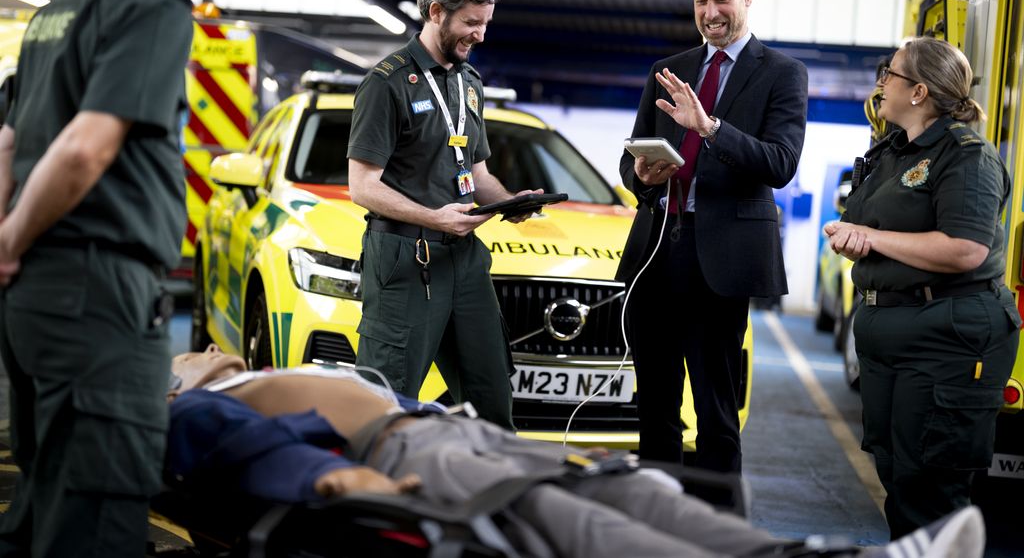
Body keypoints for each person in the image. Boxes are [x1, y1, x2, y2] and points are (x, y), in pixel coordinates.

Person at [166, 345, 986, 558]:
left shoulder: (259, 373)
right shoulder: (197, 407)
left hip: (460, 433)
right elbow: (244, 450)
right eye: (181, 355)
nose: (198, 347)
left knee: (641, 494)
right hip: (408, 451)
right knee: (565, 522)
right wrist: (330, 477)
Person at [0, 0, 228, 554]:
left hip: (36, 303)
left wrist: (8, 251)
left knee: (44, 500)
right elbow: (85, 146)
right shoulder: (155, 9)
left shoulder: (59, 6)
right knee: (98, 515)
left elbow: (8, 139)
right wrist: (9, 241)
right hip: (96, 300)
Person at [616, 0, 808, 474]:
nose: (710, 12)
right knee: (654, 408)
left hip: (722, 262)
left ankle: (719, 531)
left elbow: (781, 163)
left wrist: (711, 129)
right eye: (701, 1)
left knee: (716, 413)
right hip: (657, 250)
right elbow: (630, 158)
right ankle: (655, 522)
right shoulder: (668, 71)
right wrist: (643, 176)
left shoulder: (783, 74)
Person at [824, 37, 1021, 539]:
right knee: (898, 477)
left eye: (890, 73)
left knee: (928, 490)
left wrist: (871, 236)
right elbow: (880, 232)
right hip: (889, 335)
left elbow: (966, 248)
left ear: (918, 92)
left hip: (943, 340)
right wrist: (856, 238)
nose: (881, 83)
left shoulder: (966, 155)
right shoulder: (892, 152)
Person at [347, 0, 539, 429]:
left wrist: (510, 201)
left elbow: (477, 171)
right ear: (436, 12)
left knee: (491, 402)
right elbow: (362, 186)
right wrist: (435, 218)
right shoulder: (384, 83)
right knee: (384, 405)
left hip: (463, 260)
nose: (481, 35)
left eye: (486, 22)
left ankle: (484, 497)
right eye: (472, 22)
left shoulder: (469, 83)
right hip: (405, 258)